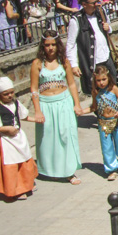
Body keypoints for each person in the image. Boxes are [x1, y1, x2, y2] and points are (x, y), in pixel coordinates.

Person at [29, 31, 83, 184]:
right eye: (47, 45)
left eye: (53, 44)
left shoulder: (63, 61)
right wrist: (37, 110)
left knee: (66, 135)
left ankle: (69, 170)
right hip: (46, 104)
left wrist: (77, 104)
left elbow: (72, 83)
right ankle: (50, 170)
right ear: (43, 46)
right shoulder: (37, 64)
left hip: (64, 102)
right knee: (48, 138)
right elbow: (34, 88)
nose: (50, 48)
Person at [0, 77, 38, 201]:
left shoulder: (15, 103)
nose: (10, 96)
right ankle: (16, 189)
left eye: (11, 92)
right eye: (6, 94)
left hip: (19, 137)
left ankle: (27, 184)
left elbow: (23, 116)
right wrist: (6, 129)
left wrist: (37, 119)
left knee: (24, 159)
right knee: (12, 163)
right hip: (6, 140)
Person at [81, 65, 118, 181]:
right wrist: (82, 111)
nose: (101, 83)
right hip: (103, 123)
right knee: (107, 147)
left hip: (116, 122)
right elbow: (93, 107)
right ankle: (111, 169)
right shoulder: (95, 92)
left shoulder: (113, 89)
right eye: (98, 80)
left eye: (104, 79)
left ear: (108, 78)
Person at [67, 0, 116, 96]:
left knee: (113, 87)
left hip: (106, 57)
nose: (97, 5)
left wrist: (108, 28)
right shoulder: (76, 20)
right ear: (84, 4)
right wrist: (74, 64)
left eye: (98, 1)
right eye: (94, 3)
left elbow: (108, 29)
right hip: (92, 62)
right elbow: (71, 44)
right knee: (97, 91)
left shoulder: (100, 12)